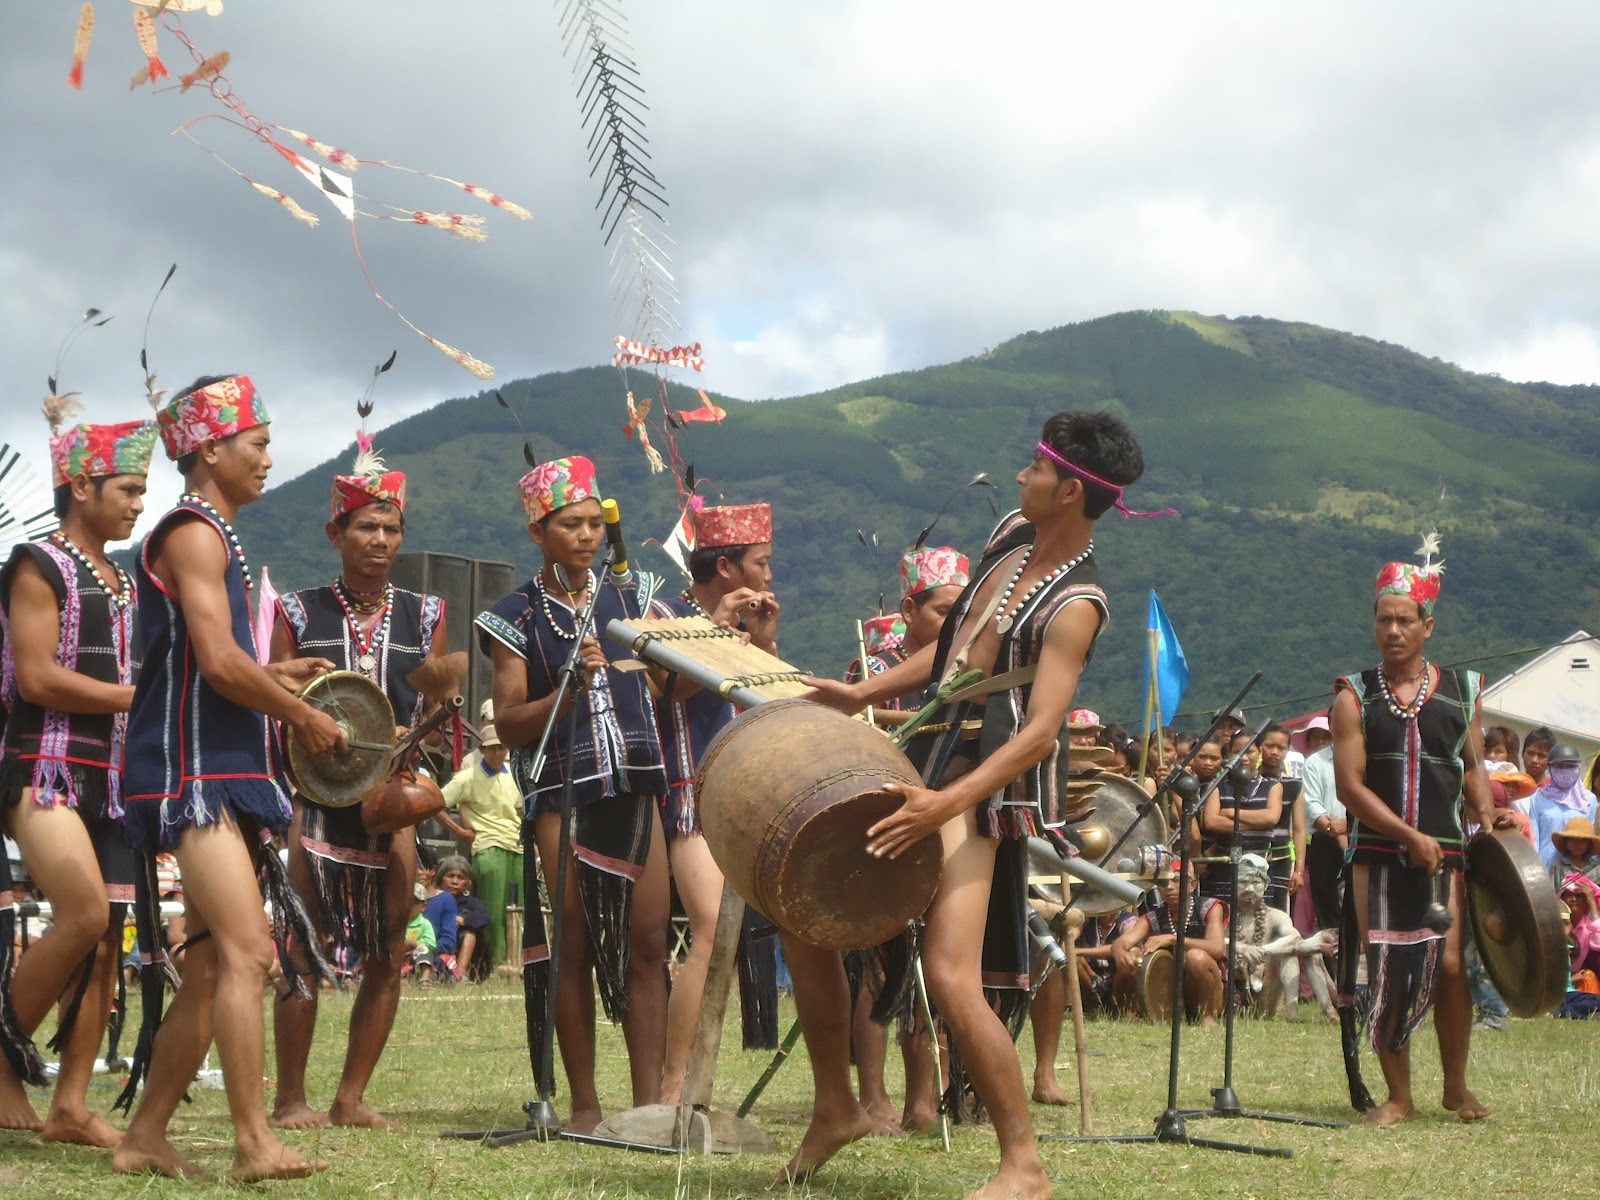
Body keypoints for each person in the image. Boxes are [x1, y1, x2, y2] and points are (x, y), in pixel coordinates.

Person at [803, 410, 1152, 1198]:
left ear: (1068, 490)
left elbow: (1036, 737)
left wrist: (941, 807)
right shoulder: (1008, 534)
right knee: (806, 904)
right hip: (927, 756)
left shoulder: (1077, 605)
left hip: (983, 783)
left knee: (951, 976)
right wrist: (860, 689)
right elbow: (956, 649)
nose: (1020, 475)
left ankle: (1024, 1166)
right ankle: (835, 1108)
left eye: (1034, 466)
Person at [112, 375, 344, 1181]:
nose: (269, 459)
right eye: (258, 443)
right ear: (211, 448)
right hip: (192, 773)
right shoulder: (192, 532)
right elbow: (213, 662)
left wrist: (277, 674)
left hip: (209, 767)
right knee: (249, 953)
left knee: (215, 964)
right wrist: (300, 712)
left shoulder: (212, 533)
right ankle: (254, 1142)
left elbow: (209, 657)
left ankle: (144, 1136)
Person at [477, 455, 670, 1133]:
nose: (586, 536)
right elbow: (506, 722)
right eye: (569, 524)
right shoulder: (513, 615)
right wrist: (566, 682)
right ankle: (585, 1107)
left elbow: (670, 684)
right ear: (538, 530)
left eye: (594, 523)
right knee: (577, 947)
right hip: (562, 790)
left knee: (647, 942)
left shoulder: (634, 593)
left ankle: (648, 1108)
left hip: (638, 782)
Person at [269, 433, 446, 1131]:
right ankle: (289, 1098)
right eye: (366, 526)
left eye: (391, 527)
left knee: (387, 951)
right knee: (299, 946)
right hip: (314, 800)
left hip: (390, 800)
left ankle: (349, 1098)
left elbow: (432, 706)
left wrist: (420, 735)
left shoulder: (424, 615)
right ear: (335, 532)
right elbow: (276, 707)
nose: (380, 539)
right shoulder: (297, 611)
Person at [0, 413, 156, 1144]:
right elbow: (35, 676)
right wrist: (139, 697)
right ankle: (2, 1065)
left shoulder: (125, 580)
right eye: (128, 488)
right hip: (47, 766)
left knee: (105, 942)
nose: (137, 503)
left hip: (115, 779)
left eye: (144, 490)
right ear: (82, 484)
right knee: (85, 914)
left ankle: (68, 1106)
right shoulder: (37, 563)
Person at [1331, 534, 1512, 1126]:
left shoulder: (1462, 692)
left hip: (1448, 854)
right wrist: (1406, 835)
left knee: (1454, 967)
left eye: (1404, 620)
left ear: (1427, 625)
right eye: (1383, 620)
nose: (1392, 631)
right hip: (1378, 853)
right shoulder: (1353, 695)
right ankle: (1399, 1097)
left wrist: (1489, 816)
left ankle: (1455, 1088)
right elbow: (1350, 787)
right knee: (1389, 967)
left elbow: (1474, 765)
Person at [646, 502, 780, 1107]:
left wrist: (765, 644)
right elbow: (661, 692)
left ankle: (695, 1081)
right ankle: (675, 1084)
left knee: (724, 937)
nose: (769, 577)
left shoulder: (750, 622)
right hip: (687, 793)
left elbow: (777, 701)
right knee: (708, 930)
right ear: (726, 567)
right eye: (761, 564)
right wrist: (712, 633)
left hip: (746, 790)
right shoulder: (663, 614)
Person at [842, 545, 968, 1129]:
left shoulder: (968, 667)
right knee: (881, 962)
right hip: (884, 823)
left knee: (934, 963)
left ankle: (924, 1098)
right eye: (944, 610)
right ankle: (872, 1096)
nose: (954, 620)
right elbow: (855, 738)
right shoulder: (873, 670)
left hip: (946, 821)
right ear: (910, 608)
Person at [438, 724, 522, 971]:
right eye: (492, 748)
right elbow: (435, 803)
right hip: (487, 844)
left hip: (516, 846)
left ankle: (518, 963)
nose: (498, 753)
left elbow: (518, 810)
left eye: (501, 748)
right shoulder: (467, 777)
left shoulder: (512, 775)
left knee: (519, 910)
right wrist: (460, 832)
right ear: (482, 749)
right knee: (493, 909)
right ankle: (494, 964)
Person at [1110, 869, 1227, 1024]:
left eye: (1176, 880)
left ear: (1192, 884)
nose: (1169, 887)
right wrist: (1120, 954)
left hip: (1208, 987)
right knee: (1133, 953)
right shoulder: (1153, 917)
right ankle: (1130, 1012)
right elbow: (1123, 942)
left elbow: (1217, 949)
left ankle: (1207, 1016)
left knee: (1196, 957)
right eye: (1164, 882)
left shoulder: (1210, 908)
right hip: (1170, 991)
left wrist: (1174, 939)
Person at [1198, 730, 1283, 909]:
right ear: (1229, 753)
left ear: (1259, 751)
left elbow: (1271, 817)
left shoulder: (1272, 786)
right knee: (1224, 917)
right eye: (1237, 751)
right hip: (1225, 867)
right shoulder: (1218, 785)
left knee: (1259, 921)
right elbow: (1211, 821)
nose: (1243, 757)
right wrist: (1255, 822)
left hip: (1259, 866)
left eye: (1249, 751)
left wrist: (1229, 812)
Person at [1299, 716, 1344, 930]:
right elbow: (1312, 805)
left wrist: (1347, 826)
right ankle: (1334, 959)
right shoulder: (1315, 762)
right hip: (1325, 840)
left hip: (1362, 837)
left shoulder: (1369, 758)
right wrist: (1336, 831)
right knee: (1328, 908)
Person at [1523, 744, 1597, 868]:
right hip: (1544, 868)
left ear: (1578, 768)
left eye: (1570, 766)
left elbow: (1590, 840)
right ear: (1550, 768)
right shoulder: (1538, 798)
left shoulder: (1589, 800)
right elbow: (1533, 840)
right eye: (1560, 766)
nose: (1565, 770)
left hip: (1574, 873)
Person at [1257, 723, 1304, 913]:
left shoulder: (1294, 784)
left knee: (1280, 912)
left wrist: (1299, 870)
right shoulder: (1246, 781)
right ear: (1260, 747)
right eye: (1269, 746)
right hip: (1253, 854)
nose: (1274, 752)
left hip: (1282, 858)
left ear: (1287, 750)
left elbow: (1299, 828)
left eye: (1281, 748)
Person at [1549, 816, 1600, 889]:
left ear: (1589, 844)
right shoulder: (1558, 866)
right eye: (1573, 840)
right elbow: (1552, 893)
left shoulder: (1596, 868)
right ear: (1566, 842)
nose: (1577, 844)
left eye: (1582, 840)